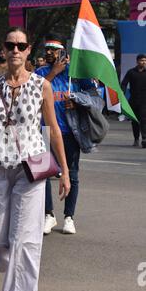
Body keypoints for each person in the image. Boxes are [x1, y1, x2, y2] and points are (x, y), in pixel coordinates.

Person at [0, 27, 70, 291]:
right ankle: (6, 260)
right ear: (4, 51)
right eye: (10, 45)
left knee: (24, 239)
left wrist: (64, 172)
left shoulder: (42, 86)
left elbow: (53, 129)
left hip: (32, 168)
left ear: (28, 51)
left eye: (21, 45)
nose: (15, 50)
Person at [36, 38, 97, 235]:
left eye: (54, 50)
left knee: (71, 174)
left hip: (70, 132)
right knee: (42, 175)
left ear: (63, 53)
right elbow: (34, 93)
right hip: (44, 131)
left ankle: (69, 217)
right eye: (47, 49)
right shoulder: (40, 73)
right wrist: (53, 73)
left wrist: (77, 101)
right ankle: (48, 215)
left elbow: (95, 96)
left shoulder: (76, 74)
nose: (49, 53)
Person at [121, 54, 146, 147]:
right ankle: (136, 139)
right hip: (134, 101)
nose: (143, 62)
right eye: (141, 60)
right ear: (137, 61)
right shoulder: (131, 72)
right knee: (135, 121)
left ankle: (144, 138)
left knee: (144, 120)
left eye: (145, 61)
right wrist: (122, 94)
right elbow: (124, 84)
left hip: (145, 101)